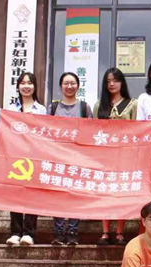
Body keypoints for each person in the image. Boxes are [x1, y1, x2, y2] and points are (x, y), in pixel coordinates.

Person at [94, 68, 137, 246]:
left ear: (121, 82)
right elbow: (94, 131)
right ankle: (105, 231)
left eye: (115, 80)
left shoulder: (132, 104)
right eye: (108, 81)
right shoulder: (99, 105)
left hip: (125, 155)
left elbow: (137, 130)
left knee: (121, 192)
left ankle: (119, 232)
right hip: (104, 156)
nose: (112, 84)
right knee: (105, 192)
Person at [50, 72, 93, 246]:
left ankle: (73, 230)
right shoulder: (53, 107)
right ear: (61, 86)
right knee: (57, 195)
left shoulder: (84, 107)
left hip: (78, 158)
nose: (69, 86)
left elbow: (91, 131)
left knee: (76, 194)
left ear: (78, 86)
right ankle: (59, 231)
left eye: (72, 83)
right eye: (66, 83)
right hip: (57, 157)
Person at [6, 72, 46, 246]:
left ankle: (29, 233)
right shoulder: (10, 109)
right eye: (23, 83)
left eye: (30, 83)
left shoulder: (41, 110)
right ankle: (15, 232)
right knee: (14, 193)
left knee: (32, 194)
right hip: (15, 157)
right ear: (18, 86)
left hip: (35, 156)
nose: (26, 86)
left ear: (35, 87)